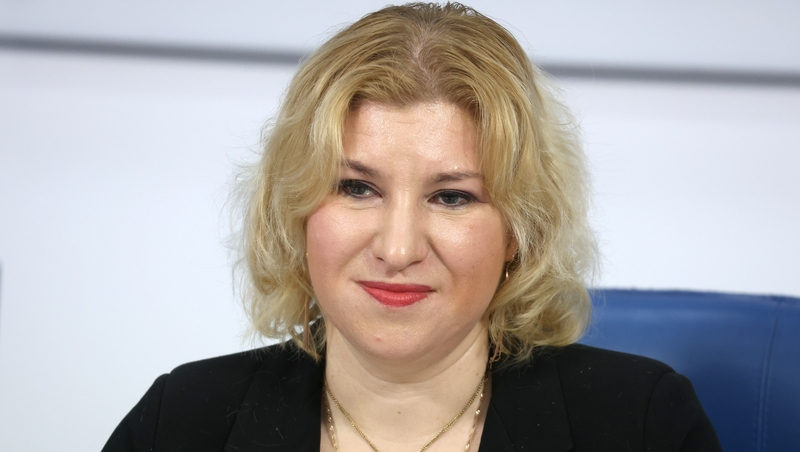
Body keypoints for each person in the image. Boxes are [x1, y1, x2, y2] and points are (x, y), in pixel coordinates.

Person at [103, 3, 721, 451]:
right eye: (357, 188)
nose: (397, 249)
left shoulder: (642, 423)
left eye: (451, 197)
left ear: (519, 232)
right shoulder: (180, 422)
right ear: (296, 212)